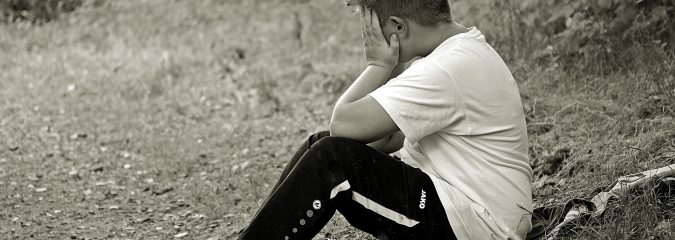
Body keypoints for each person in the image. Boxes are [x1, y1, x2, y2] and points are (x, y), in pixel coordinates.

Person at [238, 0, 533, 239]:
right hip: (467, 207)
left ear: (398, 27)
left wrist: (379, 64)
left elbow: (343, 123)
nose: (372, 40)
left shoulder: (444, 69)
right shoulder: (456, 54)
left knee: (331, 157)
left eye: (374, 30)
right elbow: (387, 137)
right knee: (324, 143)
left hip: (476, 225)